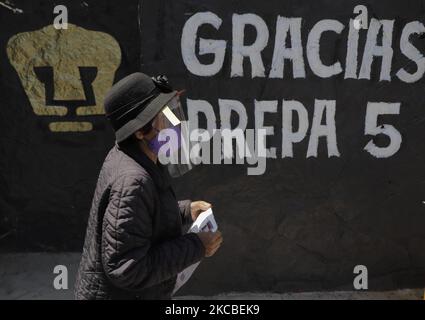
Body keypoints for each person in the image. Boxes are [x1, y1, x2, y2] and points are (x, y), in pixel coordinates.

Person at [74, 72, 223, 300]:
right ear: (140, 131)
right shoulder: (132, 180)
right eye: (164, 117)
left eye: (173, 112)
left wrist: (184, 211)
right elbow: (127, 268)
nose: (174, 123)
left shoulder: (137, 158)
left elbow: (141, 217)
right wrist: (196, 246)